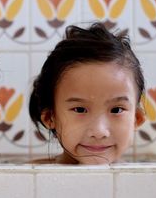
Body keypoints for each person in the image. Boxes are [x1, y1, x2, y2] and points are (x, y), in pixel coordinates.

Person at [29, 22, 146, 165]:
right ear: (50, 117)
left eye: (116, 110)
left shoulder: (146, 179)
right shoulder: (30, 176)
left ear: (137, 118)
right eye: (80, 109)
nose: (99, 131)